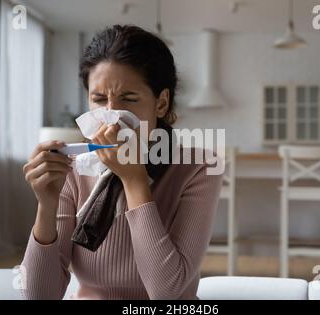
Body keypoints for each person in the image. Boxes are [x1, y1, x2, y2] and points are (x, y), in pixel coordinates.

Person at [21, 24, 223, 300]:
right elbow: (38, 296)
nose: (112, 115)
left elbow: (167, 293)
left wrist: (133, 178)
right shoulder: (75, 167)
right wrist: (46, 203)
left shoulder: (199, 166)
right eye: (99, 99)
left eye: (128, 99)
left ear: (161, 103)